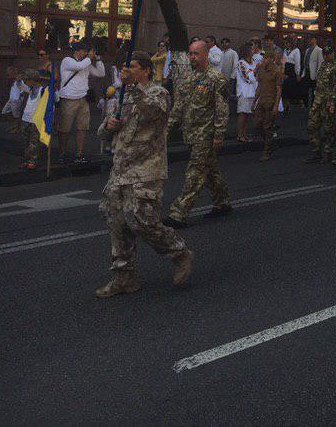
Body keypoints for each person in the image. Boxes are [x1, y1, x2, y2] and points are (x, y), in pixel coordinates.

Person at [95, 51, 192, 298]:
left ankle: (179, 252)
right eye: (125, 66)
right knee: (117, 223)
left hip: (145, 169)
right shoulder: (123, 94)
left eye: (133, 66)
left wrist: (133, 88)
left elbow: (152, 112)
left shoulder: (158, 93)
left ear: (146, 70)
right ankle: (123, 277)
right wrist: (108, 126)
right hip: (120, 169)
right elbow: (104, 130)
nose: (126, 70)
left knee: (142, 222)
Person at [164, 41, 231, 228]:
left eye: (196, 54)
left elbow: (222, 109)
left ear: (206, 55)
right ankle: (222, 201)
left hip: (206, 135)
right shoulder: (188, 79)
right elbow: (178, 108)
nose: (192, 57)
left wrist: (219, 134)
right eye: (190, 54)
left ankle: (179, 213)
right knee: (210, 170)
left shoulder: (217, 79)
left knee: (195, 172)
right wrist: (166, 130)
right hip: (191, 133)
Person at [57, 41, 105, 163]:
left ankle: (79, 154)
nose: (86, 53)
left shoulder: (86, 63)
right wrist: (89, 58)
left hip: (83, 99)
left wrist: (98, 60)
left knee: (82, 127)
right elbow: (79, 67)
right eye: (85, 51)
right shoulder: (67, 60)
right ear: (77, 51)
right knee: (64, 128)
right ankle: (62, 153)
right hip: (69, 99)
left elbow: (101, 74)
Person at [306, 46, 336, 163]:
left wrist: (332, 102)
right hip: (318, 101)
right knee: (312, 125)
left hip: (328, 102)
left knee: (328, 129)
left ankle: (328, 153)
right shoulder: (323, 65)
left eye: (328, 54)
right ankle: (316, 151)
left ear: (332, 54)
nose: (326, 56)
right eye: (325, 54)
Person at [253, 47, 282, 162]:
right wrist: (254, 101)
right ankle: (270, 144)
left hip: (271, 101)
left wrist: (276, 105)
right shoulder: (261, 70)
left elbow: (279, 89)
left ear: (271, 59)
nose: (263, 60)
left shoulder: (277, 71)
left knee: (267, 126)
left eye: (265, 58)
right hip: (261, 101)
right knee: (257, 125)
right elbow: (259, 86)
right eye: (263, 58)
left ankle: (267, 151)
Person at [20, 69, 44, 171]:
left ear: (32, 80)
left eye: (26, 80)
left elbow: (54, 100)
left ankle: (32, 160)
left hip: (36, 120)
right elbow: (20, 84)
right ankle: (27, 159)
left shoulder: (43, 90)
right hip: (26, 118)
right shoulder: (29, 89)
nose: (25, 82)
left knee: (34, 141)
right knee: (25, 140)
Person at [235, 44, 258, 143]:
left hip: (253, 91)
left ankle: (245, 133)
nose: (254, 50)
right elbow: (247, 78)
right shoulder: (241, 63)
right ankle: (240, 135)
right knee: (243, 113)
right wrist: (255, 71)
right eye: (252, 49)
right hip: (244, 92)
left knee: (248, 114)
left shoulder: (254, 61)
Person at [302, 35, 322, 107]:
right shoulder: (307, 50)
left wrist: (318, 74)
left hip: (314, 73)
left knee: (314, 90)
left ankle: (313, 105)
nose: (311, 41)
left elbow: (320, 63)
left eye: (313, 39)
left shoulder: (319, 50)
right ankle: (305, 104)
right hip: (307, 72)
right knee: (305, 89)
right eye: (310, 39)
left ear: (315, 40)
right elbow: (305, 61)